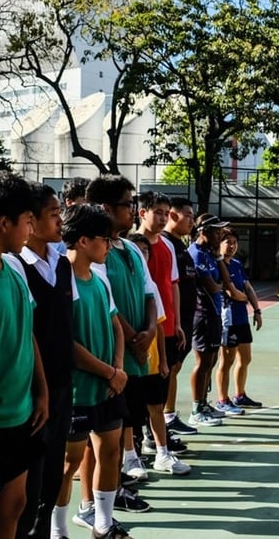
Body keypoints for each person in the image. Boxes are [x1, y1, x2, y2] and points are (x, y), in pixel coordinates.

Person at [0, 171, 50, 539]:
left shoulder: (15, 267)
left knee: (15, 503)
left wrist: (42, 390)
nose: (30, 231)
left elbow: (26, 331)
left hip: (22, 412)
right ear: (4, 223)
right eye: (28, 222)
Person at [54, 204, 133, 539]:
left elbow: (115, 324)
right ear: (83, 240)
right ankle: (57, 528)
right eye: (104, 238)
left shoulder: (99, 280)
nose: (108, 245)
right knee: (69, 463)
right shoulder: (61, 279)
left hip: (108, 386)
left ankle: (103, 522)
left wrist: (117, 367)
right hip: (79, 391)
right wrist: (108, 372)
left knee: (111, 452)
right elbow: (67, 344)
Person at [85, 175, 158, 513]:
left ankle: (116, 491)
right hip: (113, 358)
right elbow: (109, 305)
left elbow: (149, 293)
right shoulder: (93, 255)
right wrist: (132, 338)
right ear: (106, 208)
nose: (134, 210)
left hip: (136, 355)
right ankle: (97, 504)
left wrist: (149, 333)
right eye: (128, 205)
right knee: (101, 438)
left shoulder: (131, 249)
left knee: (127, 425)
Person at [17, 184, 77, 538]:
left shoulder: (62, 263)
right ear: (31, 221)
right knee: (29, 480)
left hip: (62, 385)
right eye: (53, 214)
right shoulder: (16, 267)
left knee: (53, 474)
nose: (60, 220)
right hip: (31, 390)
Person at [132, 191, 191, 472]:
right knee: (136, 392)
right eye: (157, 211)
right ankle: (138, 446)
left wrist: (177, 323)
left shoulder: (168, 246)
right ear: (142, 212)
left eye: (166, 212)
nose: (163, 217)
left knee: (159, 388)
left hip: (165, 327)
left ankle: (157, 445)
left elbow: (173, 285)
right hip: (140, 330)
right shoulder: (130, 247)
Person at [186, 213, 241, 426]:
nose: (220, 234)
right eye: (217, 231)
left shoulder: (210, 254)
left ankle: (203, 402)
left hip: (215, 313)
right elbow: (213, 286)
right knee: (202, 362)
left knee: (211, 360)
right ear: (204, 231)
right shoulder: (196, 254)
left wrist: (219, 258)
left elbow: (225, 282)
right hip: (202, 314)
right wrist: (220, 287)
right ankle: (196, 408)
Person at [215, 228, 264, 415]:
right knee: (226, 361)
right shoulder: (218, 265)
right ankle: (222, 400)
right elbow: (231, 291)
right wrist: (240, 297)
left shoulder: (236, 264)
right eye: (228, 242)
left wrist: (257, 310)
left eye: (235, 242)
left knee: (245, 358)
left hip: (242, 318)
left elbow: (247, 288)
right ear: (219, 244)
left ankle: (240, 395)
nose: (232, 246)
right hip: (228, 320)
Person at [160, 197, 197, 436]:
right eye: (188, 216)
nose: (191, 221)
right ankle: (166, 417)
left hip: (184, 320)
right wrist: (174, 321)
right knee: (169, 369)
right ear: (173, 216)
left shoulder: (179, 245)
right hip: (172, 322)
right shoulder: (166, 244)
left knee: (175, 367)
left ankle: (167, 415)